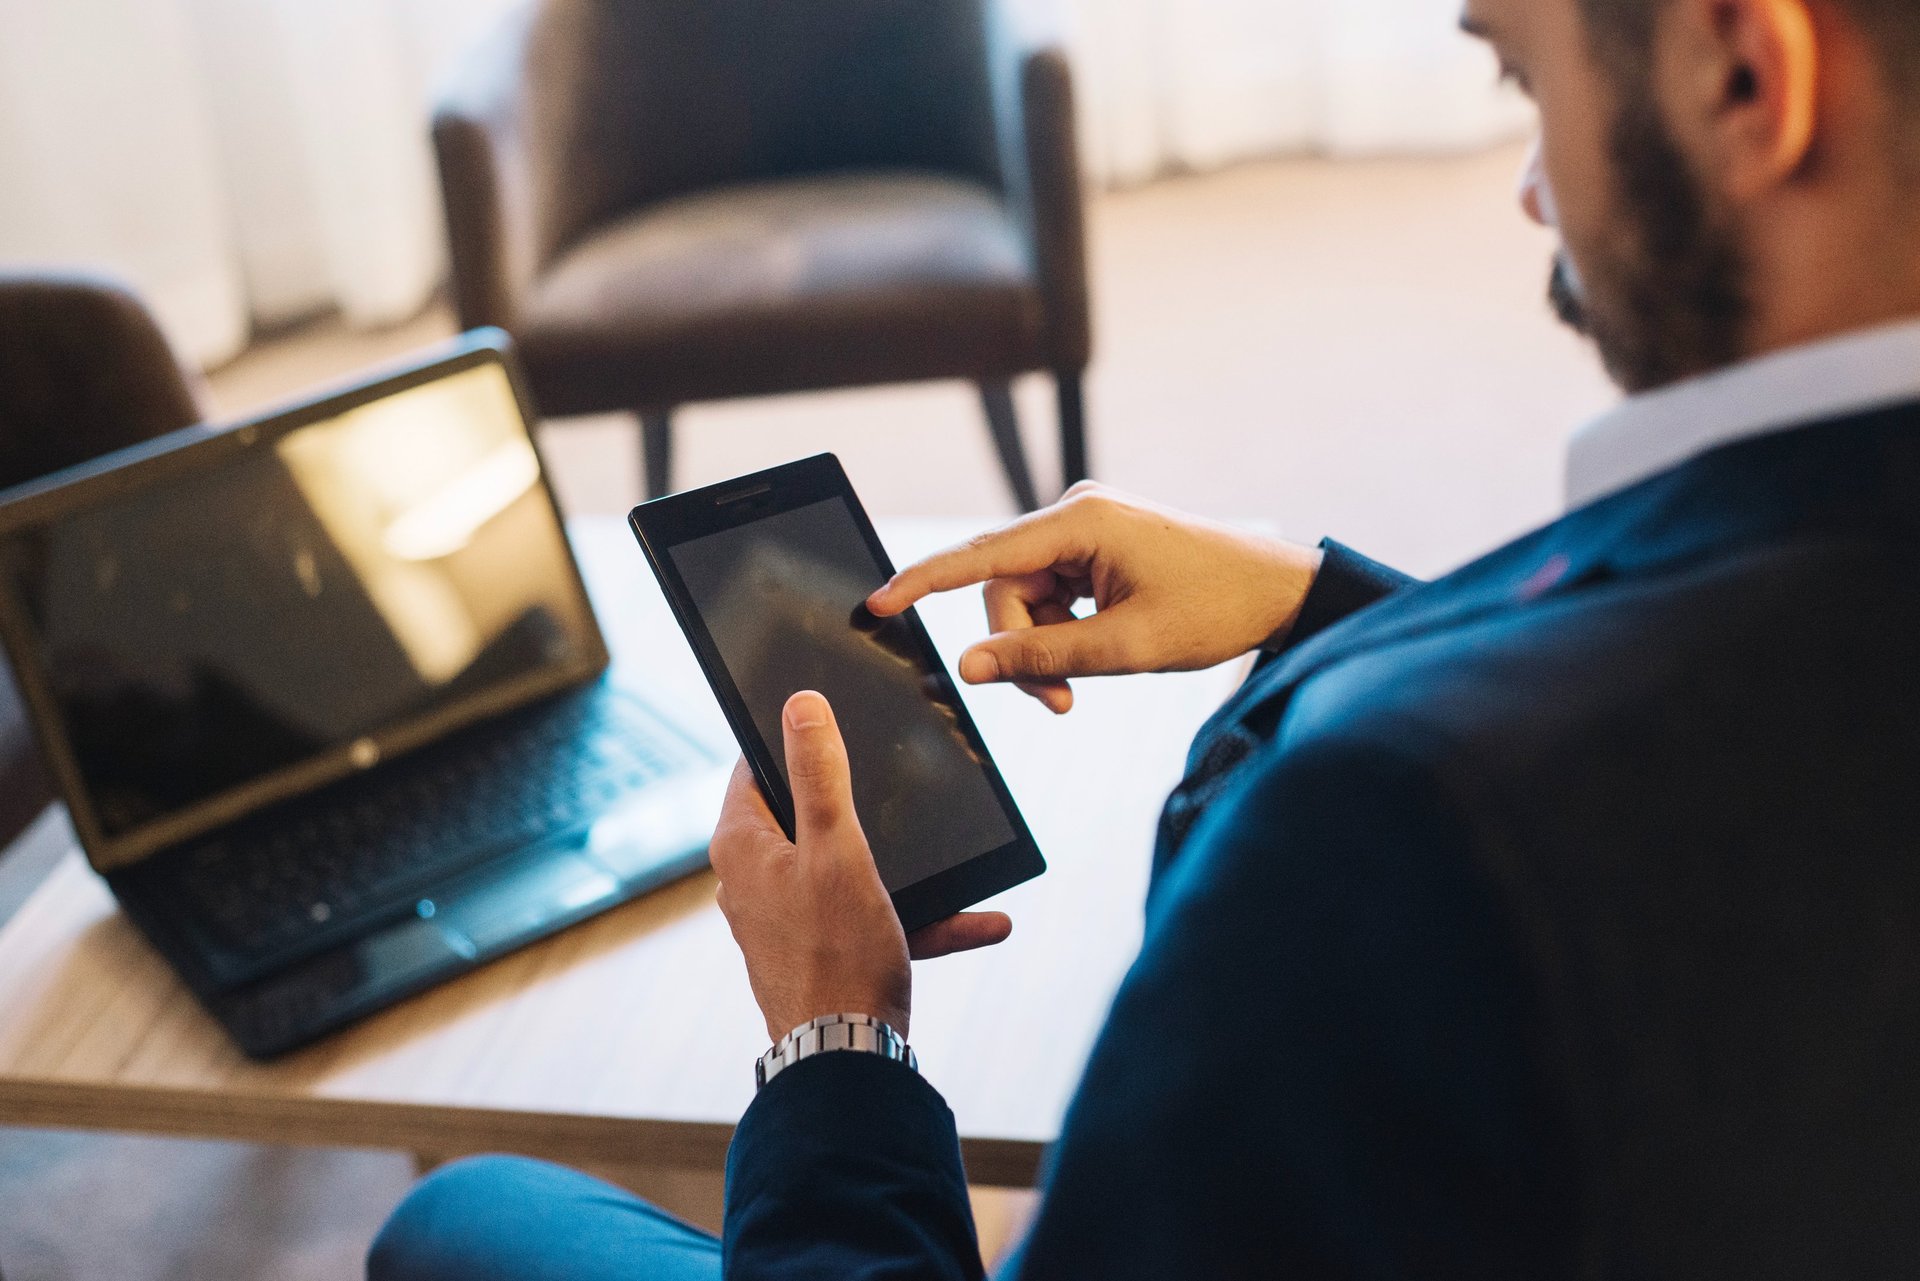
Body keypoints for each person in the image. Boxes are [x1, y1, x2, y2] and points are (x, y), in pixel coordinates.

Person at [368, 0, 1920, 1274]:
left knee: (458, 1221)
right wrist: (1326, 605)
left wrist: (837, 1039)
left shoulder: (1390, 834)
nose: (1531, 190)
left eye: (1523, 75)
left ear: (1745, 71)